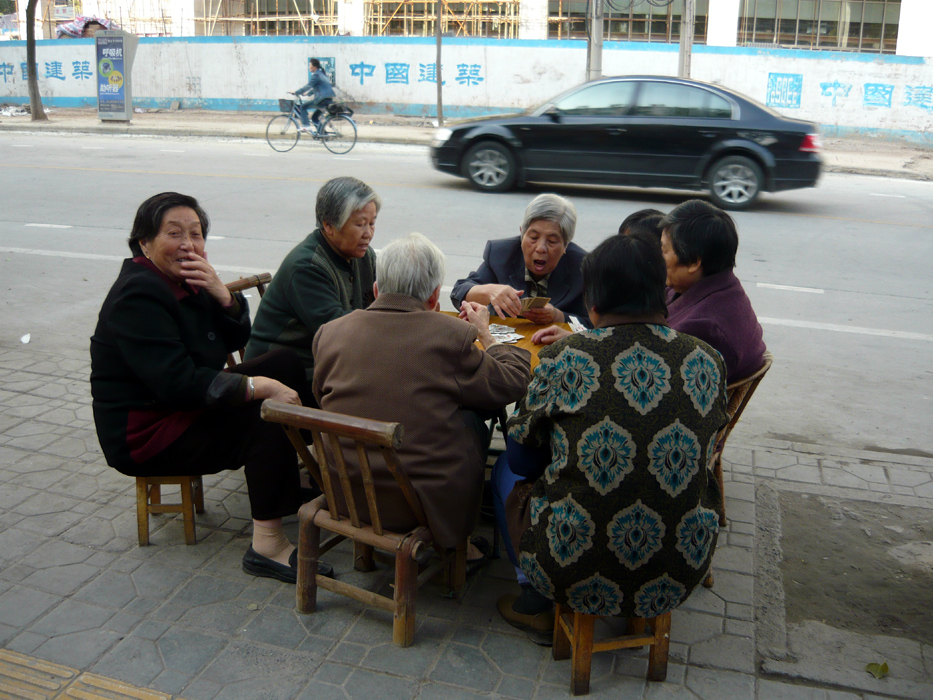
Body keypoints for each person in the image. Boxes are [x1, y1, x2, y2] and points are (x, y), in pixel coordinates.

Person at [492, 231, 728, 641]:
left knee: (503, 474)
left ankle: (536, 600)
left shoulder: (566, 358)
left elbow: (523, 461)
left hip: (570, 567)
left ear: (593, 304)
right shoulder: (706, 360)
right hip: (681, 567)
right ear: (662, 291)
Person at [90, 192, 325, 584]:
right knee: (263, 414)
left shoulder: (182, 279)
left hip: (182, 404)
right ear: (144, 241)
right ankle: (266, 545)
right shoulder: (138, 295)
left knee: (282, 362)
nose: (188, 244)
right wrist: (258, 387)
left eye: (196, 234)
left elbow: (232, 337)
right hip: (149, 432)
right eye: (174, 233)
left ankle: (288, 469)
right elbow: (179, 382)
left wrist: (224, 296)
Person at [313, 232, 531, 565]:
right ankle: (462, 546)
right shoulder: (452, 336)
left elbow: (320, 394)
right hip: (418, 504)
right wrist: (486, 334)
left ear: (375, 290)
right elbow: (513, 383)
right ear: (433, 298)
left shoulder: (330, 332)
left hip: (346, 493)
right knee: (473, 419)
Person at [244, 177, 379, 391]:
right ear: (329, 225)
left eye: (372, 223)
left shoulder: (364, 256)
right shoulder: (307, 266)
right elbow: (336, 331)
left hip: (327, 362)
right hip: (284, 374)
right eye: (360, 224)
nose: (368, 233)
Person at [660, 199, 766, 382]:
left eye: (664, 250)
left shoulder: (703, 329)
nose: (659, 257)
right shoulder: (722, 286)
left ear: (694, 262)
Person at [450, 193, 589, 326]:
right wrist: (490, 291)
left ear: (566, 244)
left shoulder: (585, 267)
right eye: (533, 238)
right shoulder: (502, 254)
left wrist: (558, 316)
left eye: (552, 241)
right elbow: (459, 292)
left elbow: (598, 325)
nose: (540, 248)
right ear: (522, 234)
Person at [291, 58, 335, 134]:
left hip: (321, 100)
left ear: (314, 67)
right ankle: (324, 135)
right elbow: (318, 87)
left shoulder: (316, 76)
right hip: (328, 99)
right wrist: (307, 94)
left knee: (303, 107)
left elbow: (308, 86)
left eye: (310, 65)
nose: (309, 67)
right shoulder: (322, 75)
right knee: (314, 118)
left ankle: (306, 125)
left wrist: (296, 92)